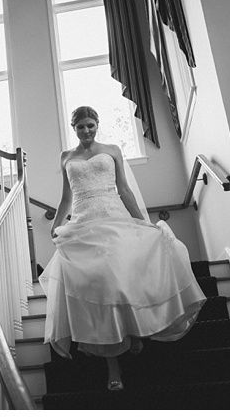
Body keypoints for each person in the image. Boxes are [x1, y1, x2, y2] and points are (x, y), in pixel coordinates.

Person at [39, 106, 206, 391]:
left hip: (114, 216)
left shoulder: (112, 149)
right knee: (101, 284)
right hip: (83, 222)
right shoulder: (67, 157)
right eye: (81, 127)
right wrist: (56, 224)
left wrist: (144, 224)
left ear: (97, 124)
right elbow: (66, 197)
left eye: (91, 125)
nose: (87, 131)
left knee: (122, 277)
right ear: (74, 128)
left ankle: (136, 328)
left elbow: (125, 190)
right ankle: (112, 364)